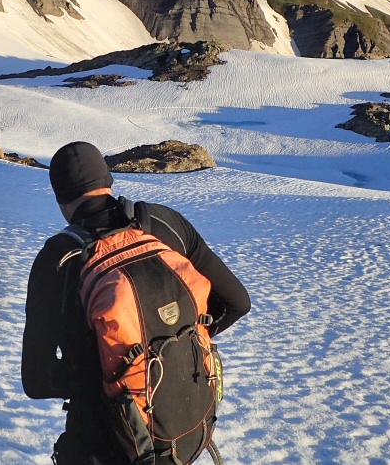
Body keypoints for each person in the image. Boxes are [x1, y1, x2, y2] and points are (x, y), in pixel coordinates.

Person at [22, 141, 251, 464]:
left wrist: (109, 377)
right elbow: (236, 302)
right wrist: (177, 347)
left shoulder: (58, 259)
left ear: (60, 198)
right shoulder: (165, 223)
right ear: (108, 179)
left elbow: (36, 380)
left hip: (108, 444)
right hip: (182, 431)